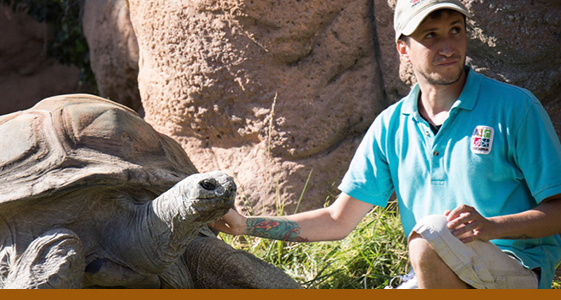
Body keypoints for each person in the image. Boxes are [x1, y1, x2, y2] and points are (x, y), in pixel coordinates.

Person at [209, 0, 561, 289]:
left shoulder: (515, 108)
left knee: (430, 234)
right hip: (434, 278)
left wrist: (492, 226)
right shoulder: (391, 126)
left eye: (456, 30)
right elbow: (336, 220)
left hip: (514, 273)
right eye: (431, 35)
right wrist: (246, 225)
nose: (448, 46)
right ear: (403, 48)